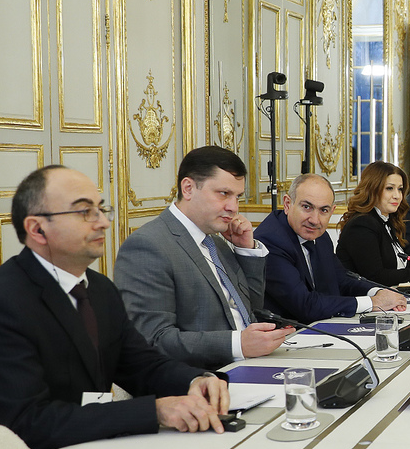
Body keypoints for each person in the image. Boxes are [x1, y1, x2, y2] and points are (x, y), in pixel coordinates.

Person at [0, 166, 230, 449]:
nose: (103, 223)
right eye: (85, 212)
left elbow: (141, 365)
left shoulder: (99, 289)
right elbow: (28, 423)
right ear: (37, 229)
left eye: (101, 209)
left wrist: (197, 380)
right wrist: (154, 410)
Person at [115, 146, 293, 368]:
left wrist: (246, 250)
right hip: (202, 378)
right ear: (188, 188)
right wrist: (238, 345)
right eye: (223, 193)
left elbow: (251, 311)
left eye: (237, 197)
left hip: (252, 365)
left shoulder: (216, 241)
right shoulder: (148, 245)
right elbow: (154, 340)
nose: (233, 208)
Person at [256, 173, 408, 322]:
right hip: (286, 332)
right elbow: (306, 305)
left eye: (324, 210)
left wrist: (379, 292)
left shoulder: (319, 236)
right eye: (307, 207)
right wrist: (372, 303)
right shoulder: (271, 241)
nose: (315, 220)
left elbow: (340, 279)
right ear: (287, 204)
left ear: (332, 211)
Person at [335, 160, 410, 285]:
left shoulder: (386, 220)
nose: (397, 196)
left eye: (400, 189)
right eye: (389, 188)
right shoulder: (362, 224)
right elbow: (376, 277)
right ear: (372, 189)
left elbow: (401, 263)